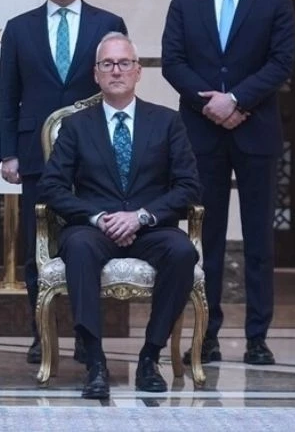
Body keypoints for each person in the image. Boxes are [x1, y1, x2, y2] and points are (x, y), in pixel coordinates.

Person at [161, 0, 295, 366]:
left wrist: (236, 100)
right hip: (202, 134)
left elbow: (282, 61)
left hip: (256, 131)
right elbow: (173, 60)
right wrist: (210, 104)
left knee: (258, 240)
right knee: (205, 239)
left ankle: (257, 337)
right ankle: (207, 334)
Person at [39, 32, 201, 399]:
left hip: (150, 227)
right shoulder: (76, 126)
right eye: (108, 64)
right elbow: (52, 187)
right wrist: (98, 217)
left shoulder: (167, 121)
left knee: (182, 252)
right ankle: (95, 362)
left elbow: (189, 186)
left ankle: (150, 356)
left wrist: (141, 216)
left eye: (124, 63)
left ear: (137, 71)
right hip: (93, 228)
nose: (116, 71)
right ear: (96, 74)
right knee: (78, 249)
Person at [0, 0, 127, 364]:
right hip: (36, 155)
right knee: (39, 246)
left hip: (94, 156)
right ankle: (42, 334)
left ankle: (87, 336)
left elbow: (118, 87)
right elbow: (8, 95)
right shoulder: (19, 28)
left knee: (89, 244)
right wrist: (9, 153)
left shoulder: (108, 23)